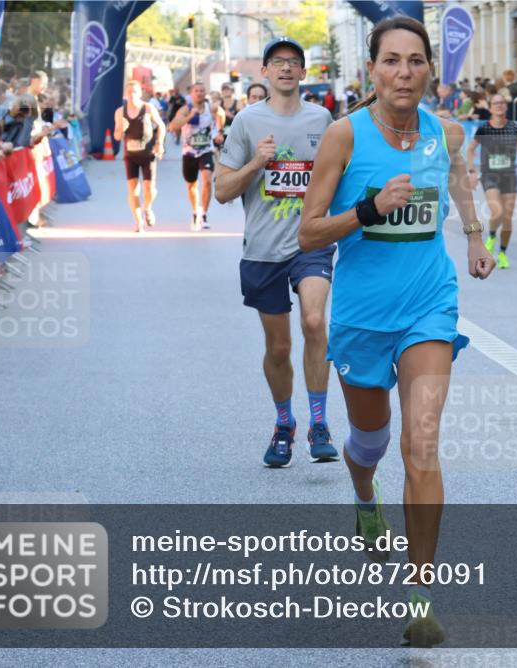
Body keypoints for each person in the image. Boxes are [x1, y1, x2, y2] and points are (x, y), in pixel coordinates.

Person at [298, 14, 495, 647]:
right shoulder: (343, 137)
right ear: (373, 69)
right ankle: (363, 495)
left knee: (424, 444)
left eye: (415, 60)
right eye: (391, 60)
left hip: (427, 305)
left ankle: (420, 596)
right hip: (360, 316)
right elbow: (308, 232)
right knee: (371, 442)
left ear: (430, 68)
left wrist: (474, 237)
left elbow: (460, 180)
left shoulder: (449, 132)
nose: (404, 72)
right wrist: (368, 209)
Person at [214, 36, 338, 468]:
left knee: (313, 319)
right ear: (263, 72)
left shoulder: (323, 120)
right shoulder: (246, 122)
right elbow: (222, 192)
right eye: (277, 62)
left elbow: (342, 175)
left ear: (304, 73)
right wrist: (256, 164)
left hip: (310, 242)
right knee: (280, 347)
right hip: (263, 249)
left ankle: (319, 423)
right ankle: (284, 423)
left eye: (294, 62)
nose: (286, 68)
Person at [466, 93, 517, 269]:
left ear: (506, 106)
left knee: (508, 218)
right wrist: (471, 171)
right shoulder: (484, 129)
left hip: (509, 175)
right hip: (490, 175)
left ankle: (502, 253)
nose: (499, 106)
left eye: (502, 103)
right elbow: (470, 150)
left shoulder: (514, 127)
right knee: (497, 211)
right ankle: (492, 236)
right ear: (490, 107)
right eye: (495, 103)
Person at [170, 82, 225, 230]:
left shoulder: (210, 107)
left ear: (205, 93)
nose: (199, 93)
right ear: (191, 94)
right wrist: (190, 116)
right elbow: (173, 126)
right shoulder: (185, 109)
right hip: (189, 152)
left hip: (206, 150)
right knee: (191, 186)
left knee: (207, 180)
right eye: (196, 91)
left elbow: (221, 113)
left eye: (202, 90)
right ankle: (196, 211)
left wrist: (219, 131)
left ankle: (205, 215)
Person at [113, 79, 166, 232]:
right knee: (133, 190)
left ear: (140, 93)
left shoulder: (148, 108)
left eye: (134, 91)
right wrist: (120, 129)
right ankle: (138, 223)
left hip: (148, 153)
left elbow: (161, 126)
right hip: (130, 155)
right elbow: (117, 137)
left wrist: (159, 143)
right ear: (125, 94)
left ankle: (147, 207)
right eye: (128, 92)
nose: (131, 95)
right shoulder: (120, 112)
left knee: (150, 189)